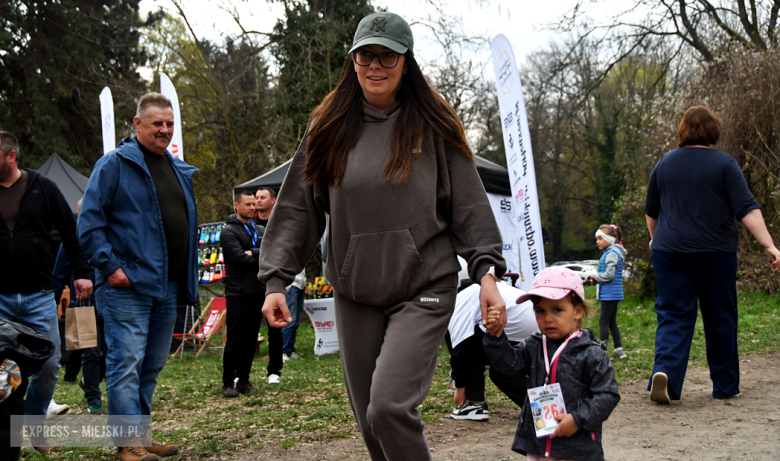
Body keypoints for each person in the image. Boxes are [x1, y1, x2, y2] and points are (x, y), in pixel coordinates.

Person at [258, 12, 508, 460]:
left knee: (389, 408)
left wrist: (487, 272)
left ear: (405, 62)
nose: (375, 66)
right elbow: (298, 207)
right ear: (353, 60)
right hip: (356, 292)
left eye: (386, 56)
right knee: (371, 426)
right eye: (365, 55)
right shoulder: (328, 127)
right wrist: (277, 280)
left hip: (424, 286)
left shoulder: (434, 124)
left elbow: (469, 205)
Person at [79, 93, 198, 460]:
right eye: (156, 123)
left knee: (150, 365)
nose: (163, 130)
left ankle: (141, 437)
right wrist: (111, 268)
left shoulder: (178, 168)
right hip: (127, 287)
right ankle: (126, 445)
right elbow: (89, 223)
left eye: (169, 124)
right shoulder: (114, 164)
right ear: (137, 124)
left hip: (167, 286)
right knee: (125, 364)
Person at [644, 105, 780, 404]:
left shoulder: (664, 163)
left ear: (682, 131)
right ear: (714, 132)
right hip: (715, 252)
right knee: (720, 316)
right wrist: (769, 245)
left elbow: (651, 213)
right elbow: (747, 209)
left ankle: (664, 372)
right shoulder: (724, 164)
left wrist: (656, 240)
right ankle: (726, 386)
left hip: (670, 251)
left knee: (673, 315)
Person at [0, 131, 93, 453]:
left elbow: (70, 231)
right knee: (3, 370)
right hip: (1, 298)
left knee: (50, 362)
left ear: (11, 156)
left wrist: (81, 272)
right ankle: (7, 436)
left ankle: (34, 422)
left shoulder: (43, 187)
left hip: (39, 294)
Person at [483, 266, 620, 461]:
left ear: (578, 311)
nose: (548, 318)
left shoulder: (591, 354)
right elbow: (510, 366)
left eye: (557, 310)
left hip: (576, 448)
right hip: (539, 445)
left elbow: (608, 395)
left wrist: (577, 419)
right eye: (540, 311)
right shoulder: (534, 344)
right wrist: (495, 336)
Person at [221, 191, 282, 397]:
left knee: (250, 340)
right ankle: (228, 381)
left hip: (258, 291)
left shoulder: (259, 229)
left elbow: (272, 253)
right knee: (236, 339)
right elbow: (240, 259)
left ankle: (244, 380)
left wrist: (253, 252)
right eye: (247, 204)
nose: (252, 207)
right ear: (236, 206)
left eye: (253, 204)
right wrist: (258, 255)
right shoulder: (229, 232)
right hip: (238, 292)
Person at [448, 282, 537, 421]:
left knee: (501, 369)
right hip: (538, 321)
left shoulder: (459, 302)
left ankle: (538, 407)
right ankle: (540, 407)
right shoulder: (474, 292)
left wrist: (459, 388)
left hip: (531, 328)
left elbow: (460, 350)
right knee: (492, 361)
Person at [52, 199, 106, 415]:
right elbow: (58, 275)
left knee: (111, 352)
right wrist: (51, 306)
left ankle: (87, 381)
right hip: (82, 304)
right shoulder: (72, 240)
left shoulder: (107, 234)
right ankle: (94, 401)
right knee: (90, 353)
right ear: (78, 213)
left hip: (108, 301)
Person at [589, 224, 627, 360]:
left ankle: (602, 351)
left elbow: (609, 275)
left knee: (603, 321)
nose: (597, 241)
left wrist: (595, 277)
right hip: (613, 293)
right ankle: (619, 349)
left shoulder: (611, 254)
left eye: (600, 238)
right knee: (611, 322)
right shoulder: (611, 253)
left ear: (609, 239)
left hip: (610, 294)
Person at [282, 269, 306, 362]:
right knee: (289, 320)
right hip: (291, 286)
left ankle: (289, 350)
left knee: (296, 322)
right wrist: (287, 284)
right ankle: (283, 352)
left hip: (301, 285)